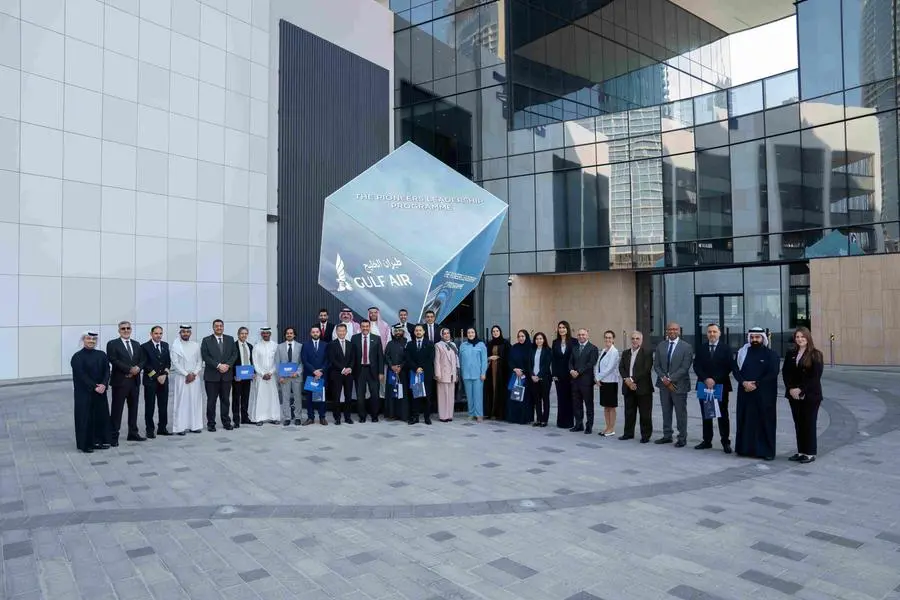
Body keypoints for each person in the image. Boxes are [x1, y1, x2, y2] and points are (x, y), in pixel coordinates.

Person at [733, 326, 780, 461]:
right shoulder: (742, 353)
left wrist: (756, 384)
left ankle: (766, 451)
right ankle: (744, 449)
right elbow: (735, 370)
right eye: (752, 337)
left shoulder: (771, 354)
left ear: (763, 338)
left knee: (765, 422)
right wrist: (744, 383)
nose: (754, 339)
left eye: (757, 337)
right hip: (745, 393)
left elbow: (773, 373)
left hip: (764, 395)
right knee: (745, 421)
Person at [782, 327, 824, 464]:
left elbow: (815, 377)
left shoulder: (816, 354)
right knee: (798, 423)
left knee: (809, 423)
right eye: (797, 337)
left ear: (808, 338)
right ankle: (801, 452)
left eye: (802, 336)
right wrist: (790, 389)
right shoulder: (791, 353)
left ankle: (810, 453)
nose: (800, 339)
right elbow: (786, 373)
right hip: (793, 395)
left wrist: (800, 390)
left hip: (810, 395)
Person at [693, 323, 734, 453]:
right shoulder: (701, 348)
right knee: (706, 414)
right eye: (710, 332)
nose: (712, 334)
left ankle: (725, 442)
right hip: (704, 385)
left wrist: (714, 379)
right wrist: (706, 379)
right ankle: (707, 441)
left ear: (719, 333)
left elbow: (728, 367)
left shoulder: (726, 348)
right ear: (707, 334)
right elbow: (696, 366)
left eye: (714, 331)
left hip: (721, 385)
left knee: (723, 414)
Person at [653, 322, 693, 447]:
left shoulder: (686, 347)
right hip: (664, 385)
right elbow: (656, 365)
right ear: (666, 331)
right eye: (669, 329)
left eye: (675, 329)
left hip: (679, 385)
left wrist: (670, 378)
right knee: (666, 411)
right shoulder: (661, 346)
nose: (672, 331)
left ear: (679, 331)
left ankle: (682, 437)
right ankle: (667, 435)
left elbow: (685, 367)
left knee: (680, 412)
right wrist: (663, 378)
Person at [71, 331, 111, 453]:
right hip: (84, 393)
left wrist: (104, 384)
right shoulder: (77, 357)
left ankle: (98, 441)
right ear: (83, 340)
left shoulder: (101, 355)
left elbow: (107, 371)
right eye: (88, 339)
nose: (91, 341)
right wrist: (95, 386)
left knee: (99, 417)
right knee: (85, 418)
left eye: (94, 339)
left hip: (100, 392)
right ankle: (85, 444)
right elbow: (81, 375)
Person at [107, 320, 145, 444]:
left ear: (131, 330)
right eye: (123, 328)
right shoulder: (112, 344)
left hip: (134, 382)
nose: (126, 330)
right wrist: (129, 369)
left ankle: (133, 433)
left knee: (133, 408)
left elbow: (142, 360)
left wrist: (138, 368)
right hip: (120, 382)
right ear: (119, 330)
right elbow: (113, 360)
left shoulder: (136, 344)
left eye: (128, 328)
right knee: (117, 410)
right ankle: (113, 436)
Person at [200, 319, 238, 432]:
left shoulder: (230, 339)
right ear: (213, 327)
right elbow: (205, 356)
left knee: (225, 400)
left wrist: (228, 365)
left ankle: (226, 422)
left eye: (221, 326)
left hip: (226, 375)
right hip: (212, 376)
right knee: (211, 401)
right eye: (216, 326)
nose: (219, 328)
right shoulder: (206, 340)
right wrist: (218, 365)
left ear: (223, 327)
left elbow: (234, 354)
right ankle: (211, 423)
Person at [618, 331, 654, 443]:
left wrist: (632, 379)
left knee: (645, 413)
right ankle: (628, 433)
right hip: (628, 387)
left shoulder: (647, 353)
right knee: (629, 412)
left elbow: (646, 370)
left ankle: (645, 435)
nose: (635, 340)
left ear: (641, 340)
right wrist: (627, 380)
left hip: (643, 388)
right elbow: (621, 367)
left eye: (637, 338)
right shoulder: (625, 353)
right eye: (633, 338)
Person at [171, 325, 204, 435]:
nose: (185, 333)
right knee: (181, 402)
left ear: (190, 333)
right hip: (182, 378)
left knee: (195, 402)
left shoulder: (196, 345)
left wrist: (193, 374)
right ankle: (180, 427)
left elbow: (200, 361)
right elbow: (175, 363)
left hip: (194, 378)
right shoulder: (176, 346)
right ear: (180, 333)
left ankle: (195, 426)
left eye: (187, 332)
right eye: (183, 332)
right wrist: (186, 374)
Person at [141, 326, 171, 438]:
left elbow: (168, 362)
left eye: (160, 333)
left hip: (164, 380)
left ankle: (162, 428)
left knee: (163, 405)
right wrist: (157, 376)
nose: (158, 335)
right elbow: (145, 365)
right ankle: (150, 429)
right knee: (150, 406)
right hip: (150, 381)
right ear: (151, 334)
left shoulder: (165, 345)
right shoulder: (144, 347)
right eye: (156, 333)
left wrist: (165, 374)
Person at [352, 319, 384, 422]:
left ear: (369, 327)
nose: (365, 328)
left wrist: (381, 372)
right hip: (359, 370)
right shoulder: (354, 338)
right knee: (360, 395)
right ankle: (362, 416)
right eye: (363, 326)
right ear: (360, 327)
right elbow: (352, 356)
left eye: (367, 326)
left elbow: (380, 356)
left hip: (373, 371)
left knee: (375, 394)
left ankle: (374, 416)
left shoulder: (376, 338)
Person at [326, 323, 356, 424]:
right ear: (336, 332)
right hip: (336, 374)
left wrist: (350, 368)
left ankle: (347, 417)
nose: (341, 333)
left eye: (343, 331)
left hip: (349, 374)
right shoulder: (331, 344)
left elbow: (353, 358)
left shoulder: (350, 344)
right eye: (339, 331)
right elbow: (332, 359)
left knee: (348, 396)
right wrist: (343, 369)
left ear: (346, 332)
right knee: (336, 396)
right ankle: (337, 417)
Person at [250, 327, 281, 424]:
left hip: (272, 376)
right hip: (261, 376)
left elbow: (277, 361)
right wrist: (262, 373)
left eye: (267, 333)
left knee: (273, 396)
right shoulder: (257, 346)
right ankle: (259, 418)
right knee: (260, 397)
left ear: (270, 334)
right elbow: (255, 362)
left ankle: (274, 417)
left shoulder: (275, 346)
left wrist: (271, 372)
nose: (265, 335)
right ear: (261, 334)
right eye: (264, 333)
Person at [300, 325, 330, 426]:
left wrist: (321, 371)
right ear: (310, 333)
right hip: (310, 375)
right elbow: (304, 360)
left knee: (321, 397)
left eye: (317, 332)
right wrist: (314, 371)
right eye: (313, 332)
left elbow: (328, 360)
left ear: (320, 333)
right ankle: (310, 417)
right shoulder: (305, 345)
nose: (315, 333)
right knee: (309, 398)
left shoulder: (325, 345)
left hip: (321, 375)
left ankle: (322, 417)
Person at [405, 324, 434, 424]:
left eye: (420, 330)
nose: (418, 332)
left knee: (427, 397)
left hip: (426, 374)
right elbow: (408, 358)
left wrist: (422, 368)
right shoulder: (410, 344)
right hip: (415, 374)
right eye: (416, 330)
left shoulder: (430, 343)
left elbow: (431, 358)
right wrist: (416, 368)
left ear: (424, 332)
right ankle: (415, 417)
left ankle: (427, 417)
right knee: (415, 396)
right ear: (414, 332)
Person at [594, 330, 621, 437]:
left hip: (611, 382)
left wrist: (598, 378)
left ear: (613, 339)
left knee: (611, 407)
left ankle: (611, 429)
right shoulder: (604, 350)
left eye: (610, 337)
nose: (607, 339)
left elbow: (609, 368)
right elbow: (598, 365)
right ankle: (607, 427)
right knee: (606, 406)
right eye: (606, 337)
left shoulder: (614, 352)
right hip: (603, 382)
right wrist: (597, 377)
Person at [275, 327, 303, 425]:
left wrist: (297, 372)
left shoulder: (300, 346)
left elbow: (302, 362)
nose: (289, 335)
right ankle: (287, 417)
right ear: (285, 335)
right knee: (285, 397)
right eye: (287, 333)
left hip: (296, 376)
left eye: (291, 333)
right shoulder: (279, 347)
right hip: (284, 377)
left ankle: (298, 417)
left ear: (294, 335)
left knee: (297, 397)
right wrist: (280, 376)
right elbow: (277, 363)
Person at [459, 328, 487, 422]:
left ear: (475, 333)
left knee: (478, 396)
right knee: (469, 396)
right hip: (466, 375)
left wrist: (483, 373)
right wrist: (462, 373)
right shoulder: (463, 346)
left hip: (478, 375)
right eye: (469, 332)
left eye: (472, 332)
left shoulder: (481, 345)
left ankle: (479, 414)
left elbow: (484, 360)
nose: (470, 334)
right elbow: (460, 360)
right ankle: (471, 413)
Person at [506, 330, 533, 424]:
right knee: (515, 396)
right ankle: (514, 418)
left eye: (522, 336)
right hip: (515, 376)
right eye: (519, 336)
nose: (521, 338)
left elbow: (532, 362)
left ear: (526, 337)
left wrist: (523, 371)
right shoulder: (514, 347)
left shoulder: (531, 347)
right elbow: (509, 360)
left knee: (525, 398)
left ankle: (524, 418)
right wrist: (515, 369)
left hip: (526, 377)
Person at [552, 321, 575, 429]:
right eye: (560, 327)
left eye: (564, 327)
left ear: (567, 329)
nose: (561, 329)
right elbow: (554, 359)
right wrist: (554, 374)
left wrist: (574, 371)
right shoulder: (555, 342)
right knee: (560, 398)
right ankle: (561, 422)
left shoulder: (574, 341)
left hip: (570, 374)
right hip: (559, 375)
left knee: (570, 398)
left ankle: (569, 422)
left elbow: (575, 358)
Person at [434, 328, 460, 422]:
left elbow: (456, 359)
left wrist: (457, 372)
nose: (446, 335)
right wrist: (437, 374)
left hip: (452, 373)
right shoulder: (438, 345)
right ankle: (443, 416)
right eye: (444, 333)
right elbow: (437, 361)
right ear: (441, 335)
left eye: (448, 333)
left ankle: (449, 415)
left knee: (451, 395)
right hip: (443, 373)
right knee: (443, 395)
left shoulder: (453, 345)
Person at [484, 325, 509, 420]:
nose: (495, 333)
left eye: (497, 331)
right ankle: (491, 412)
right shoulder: (489, 343)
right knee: (491, 390)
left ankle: (500, 413)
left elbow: (508, 356)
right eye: (493, 331)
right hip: (491, 370)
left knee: (500, 390)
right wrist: (490, 357)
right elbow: (485, 356)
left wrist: (499, 358)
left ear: (500, 332)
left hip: (501, 371)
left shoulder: (505, 343)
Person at [384, 324, 409, 421]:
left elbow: (408, 357)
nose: (398, 333)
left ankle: (402, 414)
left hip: (403, 372)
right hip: (392, 372)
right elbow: (386, 356)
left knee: (402, 392)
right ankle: (392, 414)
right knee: (392, 392)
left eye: (400, 331)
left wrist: (400, 366)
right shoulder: (390, 343)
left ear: (403, 332)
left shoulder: (407, 342)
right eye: (396, 331)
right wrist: (392, 366)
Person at [231, 326, 254, 426]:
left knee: (246, 397)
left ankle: (245, 418)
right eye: (242, 333)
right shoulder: (233, 346)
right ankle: (236, 420)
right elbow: (231, 362)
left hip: (247, 376)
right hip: (237, 377)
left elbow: (251, 361)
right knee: (236, 399)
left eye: (245, 333)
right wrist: (234, 375)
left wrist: (253, 373)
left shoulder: (250, 346)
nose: (244, 335)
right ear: (238, 334)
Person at [529, 332, 552, 427]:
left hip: (545, 378)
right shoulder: (532, 350)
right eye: (537, 339)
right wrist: (532, 375)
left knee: (545, 399)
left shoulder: (548, 350)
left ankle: (544, 420)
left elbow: (546, 365)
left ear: (544, 340)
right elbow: (529, 364)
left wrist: (538, 376)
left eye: (540, 338)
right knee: (537, 400)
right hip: (533, 378)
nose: (539, 340)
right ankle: (538, 419)